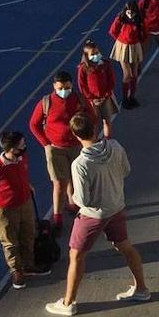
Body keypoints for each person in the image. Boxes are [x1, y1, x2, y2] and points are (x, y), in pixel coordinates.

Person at [46, 113, 148, 316]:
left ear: (75, 136)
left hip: (93, 215)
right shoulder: (115, 146)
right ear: (94, 129)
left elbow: (82, 201)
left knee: (76, 255)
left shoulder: (80, 164)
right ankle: (141, 289)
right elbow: (126, 170)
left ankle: (68, 302)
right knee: (125, 246)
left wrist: (73, 196)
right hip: (116, 206)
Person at [0, 131, 48, 289]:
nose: (24, 147)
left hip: (25, 203)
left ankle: (29, 265)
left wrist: (26, 185)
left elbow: (23, 174)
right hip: (5, 210)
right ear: (11, 149)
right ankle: (16, 270)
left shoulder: (21, 159)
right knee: (10, 241)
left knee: (28, 234)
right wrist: (3, 198)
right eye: (21, 145)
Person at [29, 71, 95, 236]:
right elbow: (34, 124)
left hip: (76, 147)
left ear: (71, 85)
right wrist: (46, 144)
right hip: (55, 149)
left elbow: (92, 116)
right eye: (60, 88)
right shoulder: (46, 103)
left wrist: (86, 137)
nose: (64, 90)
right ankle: (57, 217)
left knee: (75, 178)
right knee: (59, 183)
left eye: (67, 87)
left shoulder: (79, 99)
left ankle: (73, 203)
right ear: (54, 87)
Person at [77, 39, 118, 139]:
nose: (96, 55)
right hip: (92, 101)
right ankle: (94, 141)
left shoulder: (105, 64)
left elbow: (111, 80)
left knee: (107, 120)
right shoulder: (83, 68)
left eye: (97, 52)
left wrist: (106, 95)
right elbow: (82, 86)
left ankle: (108, 140)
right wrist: (91, 98)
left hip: (105, 98)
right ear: (87, 56)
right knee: (93, 123)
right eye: (93, 54)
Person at [109, 1, 146, 110]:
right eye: (128, 12)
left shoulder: (138, 20)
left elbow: (144, 32)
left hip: (134, 46)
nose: (130, 14)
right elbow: (112, 31)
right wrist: (121, 40)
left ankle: (132, 96)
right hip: (124, 46)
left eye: (132, 12)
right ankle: (125, 98)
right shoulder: (121, 19)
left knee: (134, 73)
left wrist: (140, 40)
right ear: (125, 11)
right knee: (127, 74)